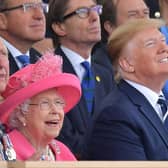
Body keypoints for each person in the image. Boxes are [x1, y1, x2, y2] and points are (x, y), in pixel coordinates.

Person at [87, 18, 168, 160]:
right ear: (127, 63)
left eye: (163, 41)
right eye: (151, 44)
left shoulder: (163, 102)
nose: (164, 48)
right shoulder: (115, 115)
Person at [47, 0, 115, 159]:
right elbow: (61, 138)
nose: (94, 17)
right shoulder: (49, 73)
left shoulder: (105, 74)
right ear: (59, 27)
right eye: (82, 12)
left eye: (96, 9)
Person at [0, 52, 81, 161]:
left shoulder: (62, 151)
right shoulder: (4, 149)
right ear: (21, 114)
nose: (55, 111)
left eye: (58, 103)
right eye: (45, 103)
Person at [92, 0, 150, 72]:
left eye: (146, 13)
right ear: (110, 27)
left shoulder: (159, 53)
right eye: (133, 15)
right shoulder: (100, 68)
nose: (144, 20)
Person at [0, 0, 47, 74]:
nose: (40, 16)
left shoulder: (42, 61)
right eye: (28, 7)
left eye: (41, 7)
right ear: (2, 20)